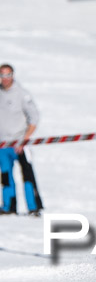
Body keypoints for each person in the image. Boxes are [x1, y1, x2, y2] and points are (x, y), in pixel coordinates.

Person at [0, 63, 43, 216]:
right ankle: (8, 207)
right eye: (2, 75)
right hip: (3, 145)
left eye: (8, 75)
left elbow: (34, 118)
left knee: (28, 175)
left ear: (13, 75)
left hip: (20, 144)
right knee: (5, 176)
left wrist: (24, 139)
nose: (5, 79)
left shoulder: (22, 94)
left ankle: (34, 207)